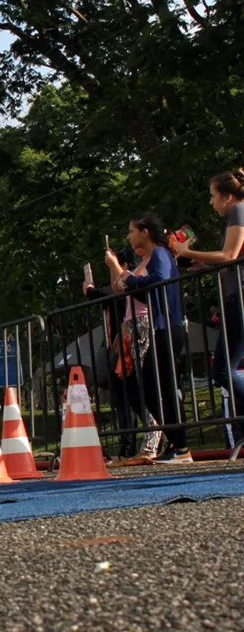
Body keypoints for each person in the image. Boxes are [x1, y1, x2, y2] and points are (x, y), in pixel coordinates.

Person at [107, 211, 189, 464]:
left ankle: (180, 445)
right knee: (154, 387)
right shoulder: (155, 258)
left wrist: (131, 279)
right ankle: (177, 443)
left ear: (145, 233)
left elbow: (161, 280)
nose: (129, 237)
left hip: (169, 326)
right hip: (162, 326)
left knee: (158, 386)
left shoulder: (161, 254)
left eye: (132, 231)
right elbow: (149, 289)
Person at [173, 169, 244, 449]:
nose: (211, 203)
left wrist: (187, 252)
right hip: (235, 295)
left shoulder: (238, 212)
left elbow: (229, 255)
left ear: (227, 197)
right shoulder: (236, 213)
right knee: (225, 369)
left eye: (213, 197)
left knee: (223, 371)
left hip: (240, 297)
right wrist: (206, 264)